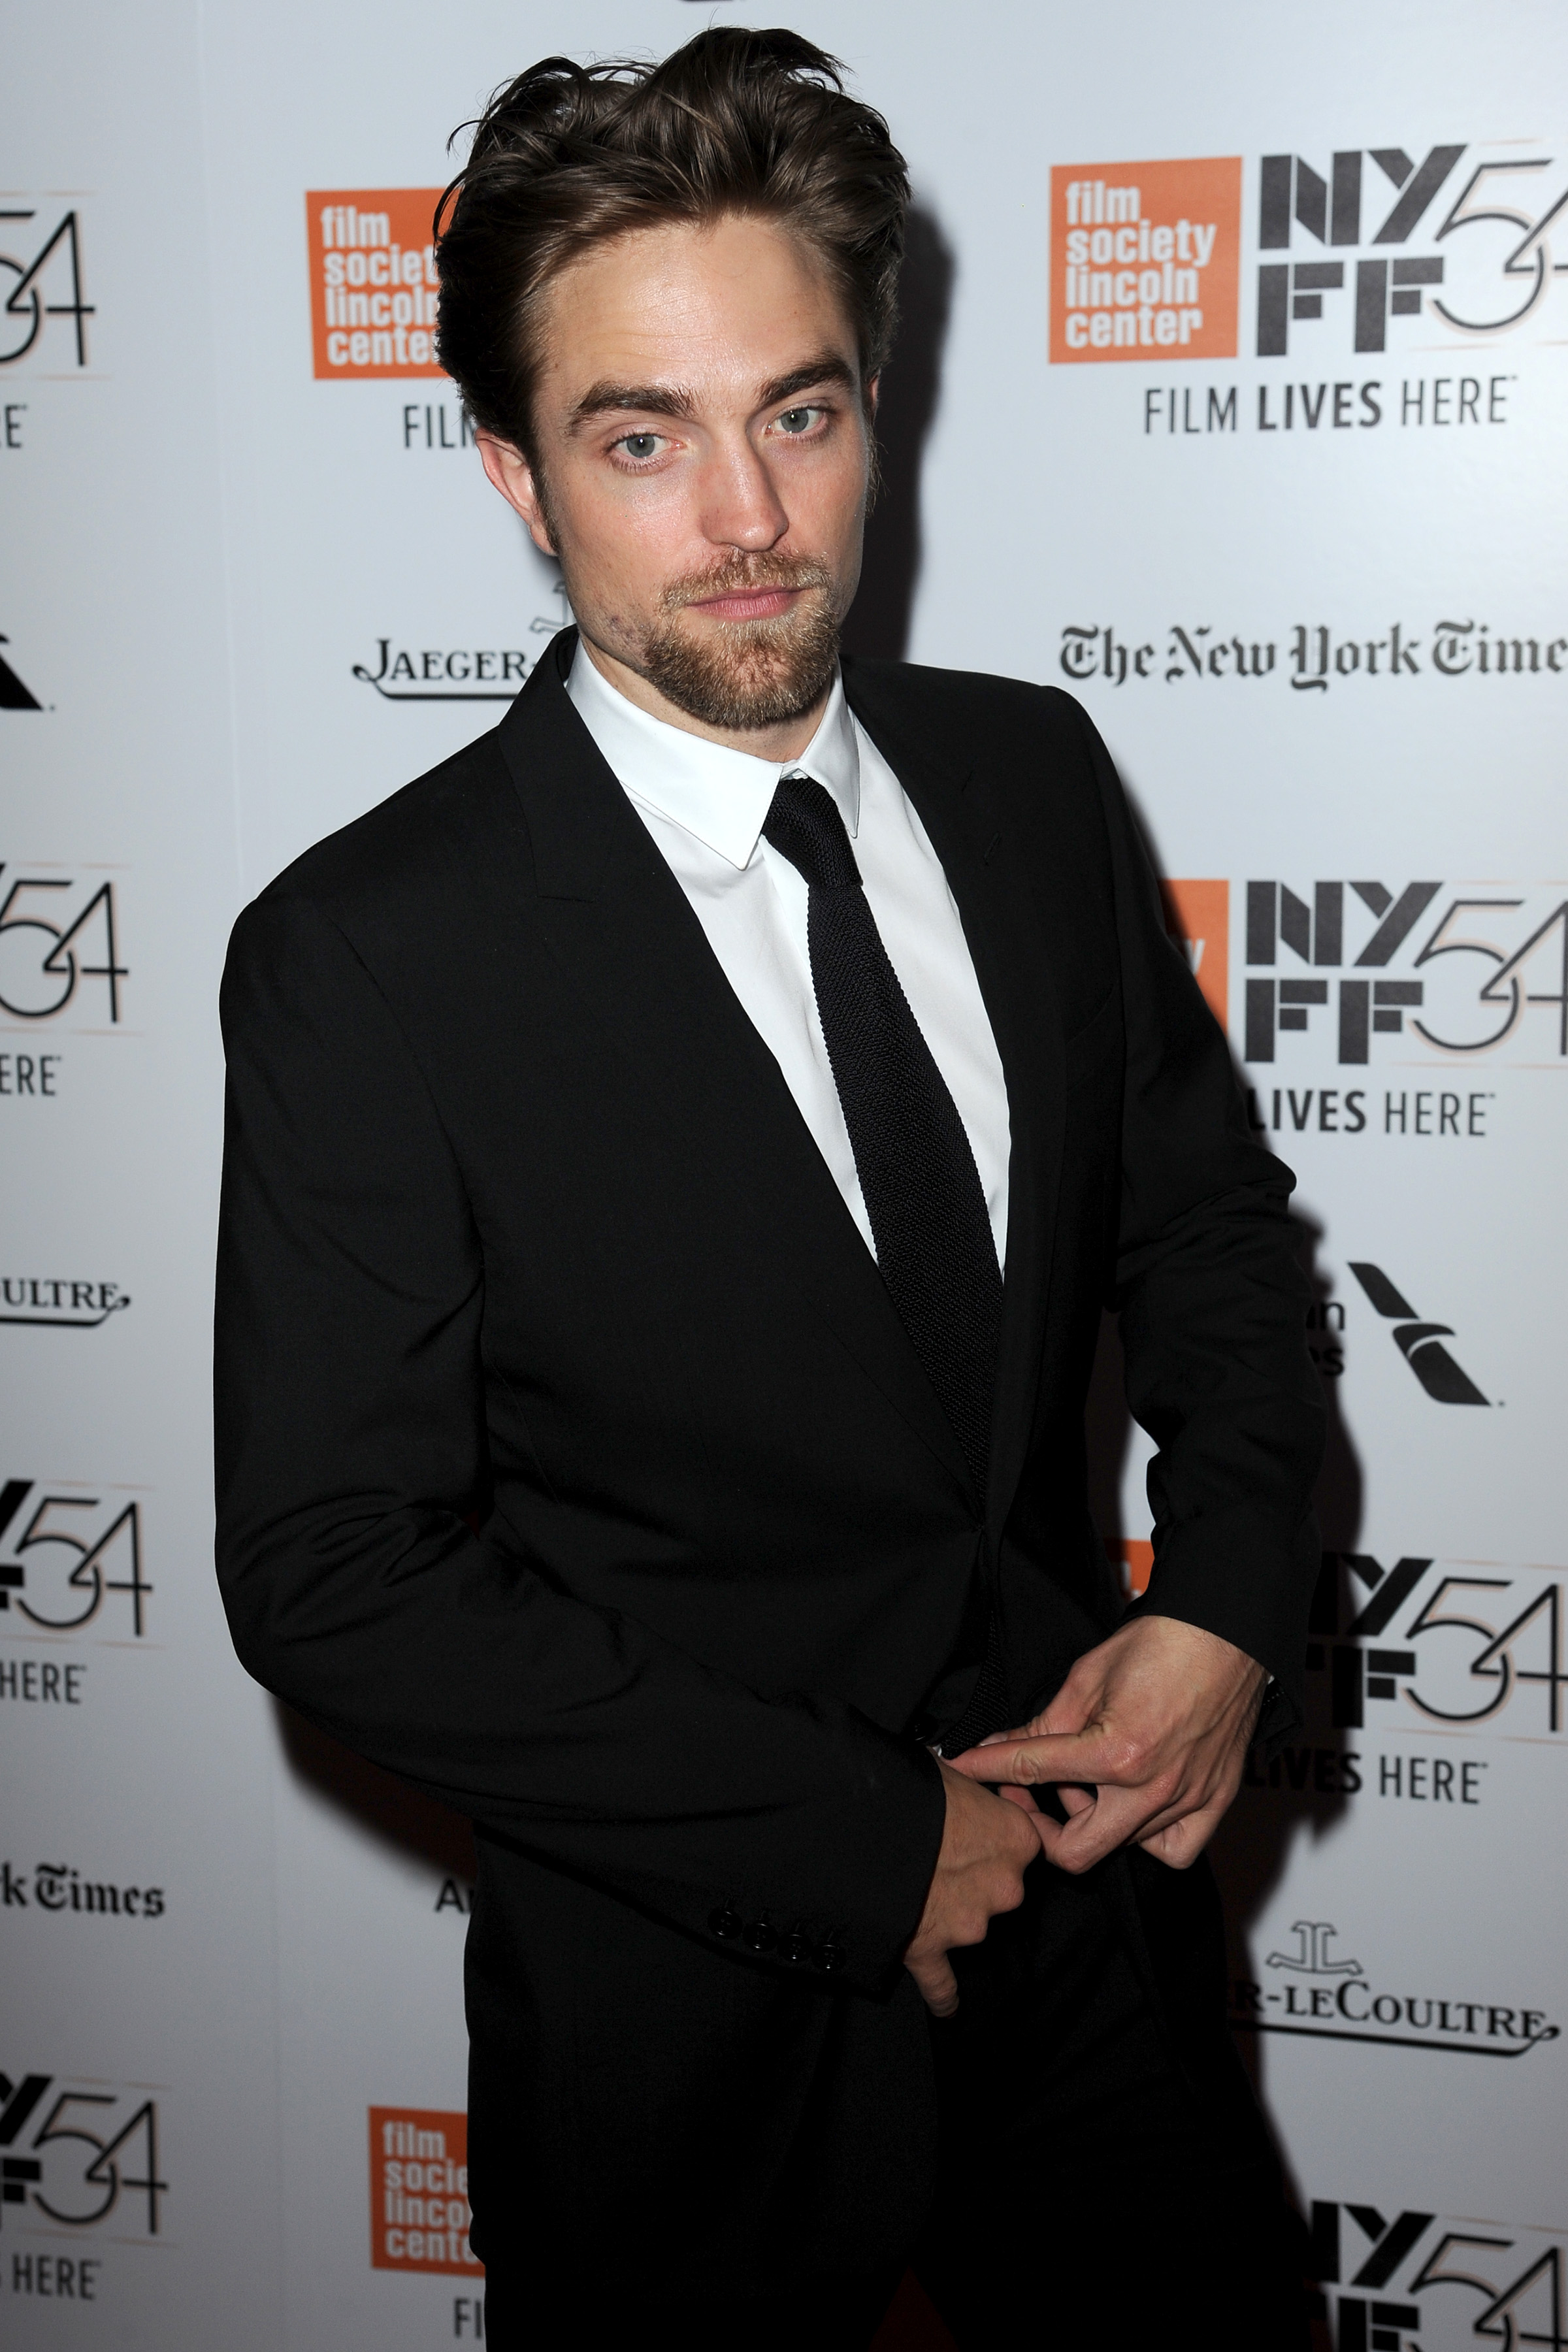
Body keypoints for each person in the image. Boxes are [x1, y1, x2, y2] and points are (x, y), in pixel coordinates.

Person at [214, 29, 1323, 2348]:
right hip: (690, 2031)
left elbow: (1210, 1232)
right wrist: (865, 1838)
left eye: (798, 415)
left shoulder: (1028, 777)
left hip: (1105, 1950)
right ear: (520, 476)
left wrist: (1227, 1600)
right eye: (644, 438)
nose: (748, 516)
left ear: (874, 411)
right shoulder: (371, 953)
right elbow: (337, 1575)